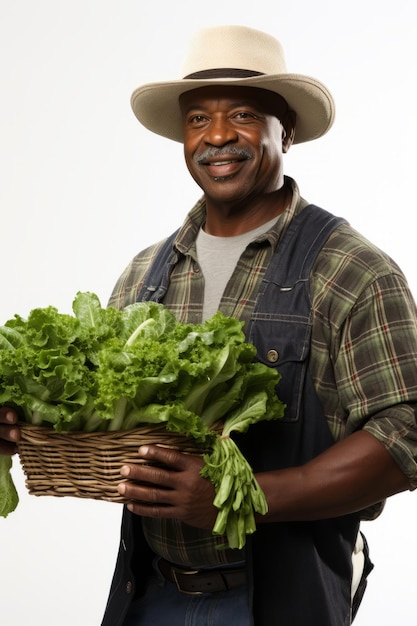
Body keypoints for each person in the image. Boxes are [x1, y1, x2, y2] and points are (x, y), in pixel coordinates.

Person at [2, 24, 417, 626]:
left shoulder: (349, 268)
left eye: (243, 114)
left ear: (286, 131)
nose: (217, 136)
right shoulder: (147, 272)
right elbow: (96, 415)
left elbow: (406, 433)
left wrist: (241, 496)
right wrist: (28, 418)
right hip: (149, 593)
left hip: (283, 597)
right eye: (198, 119)